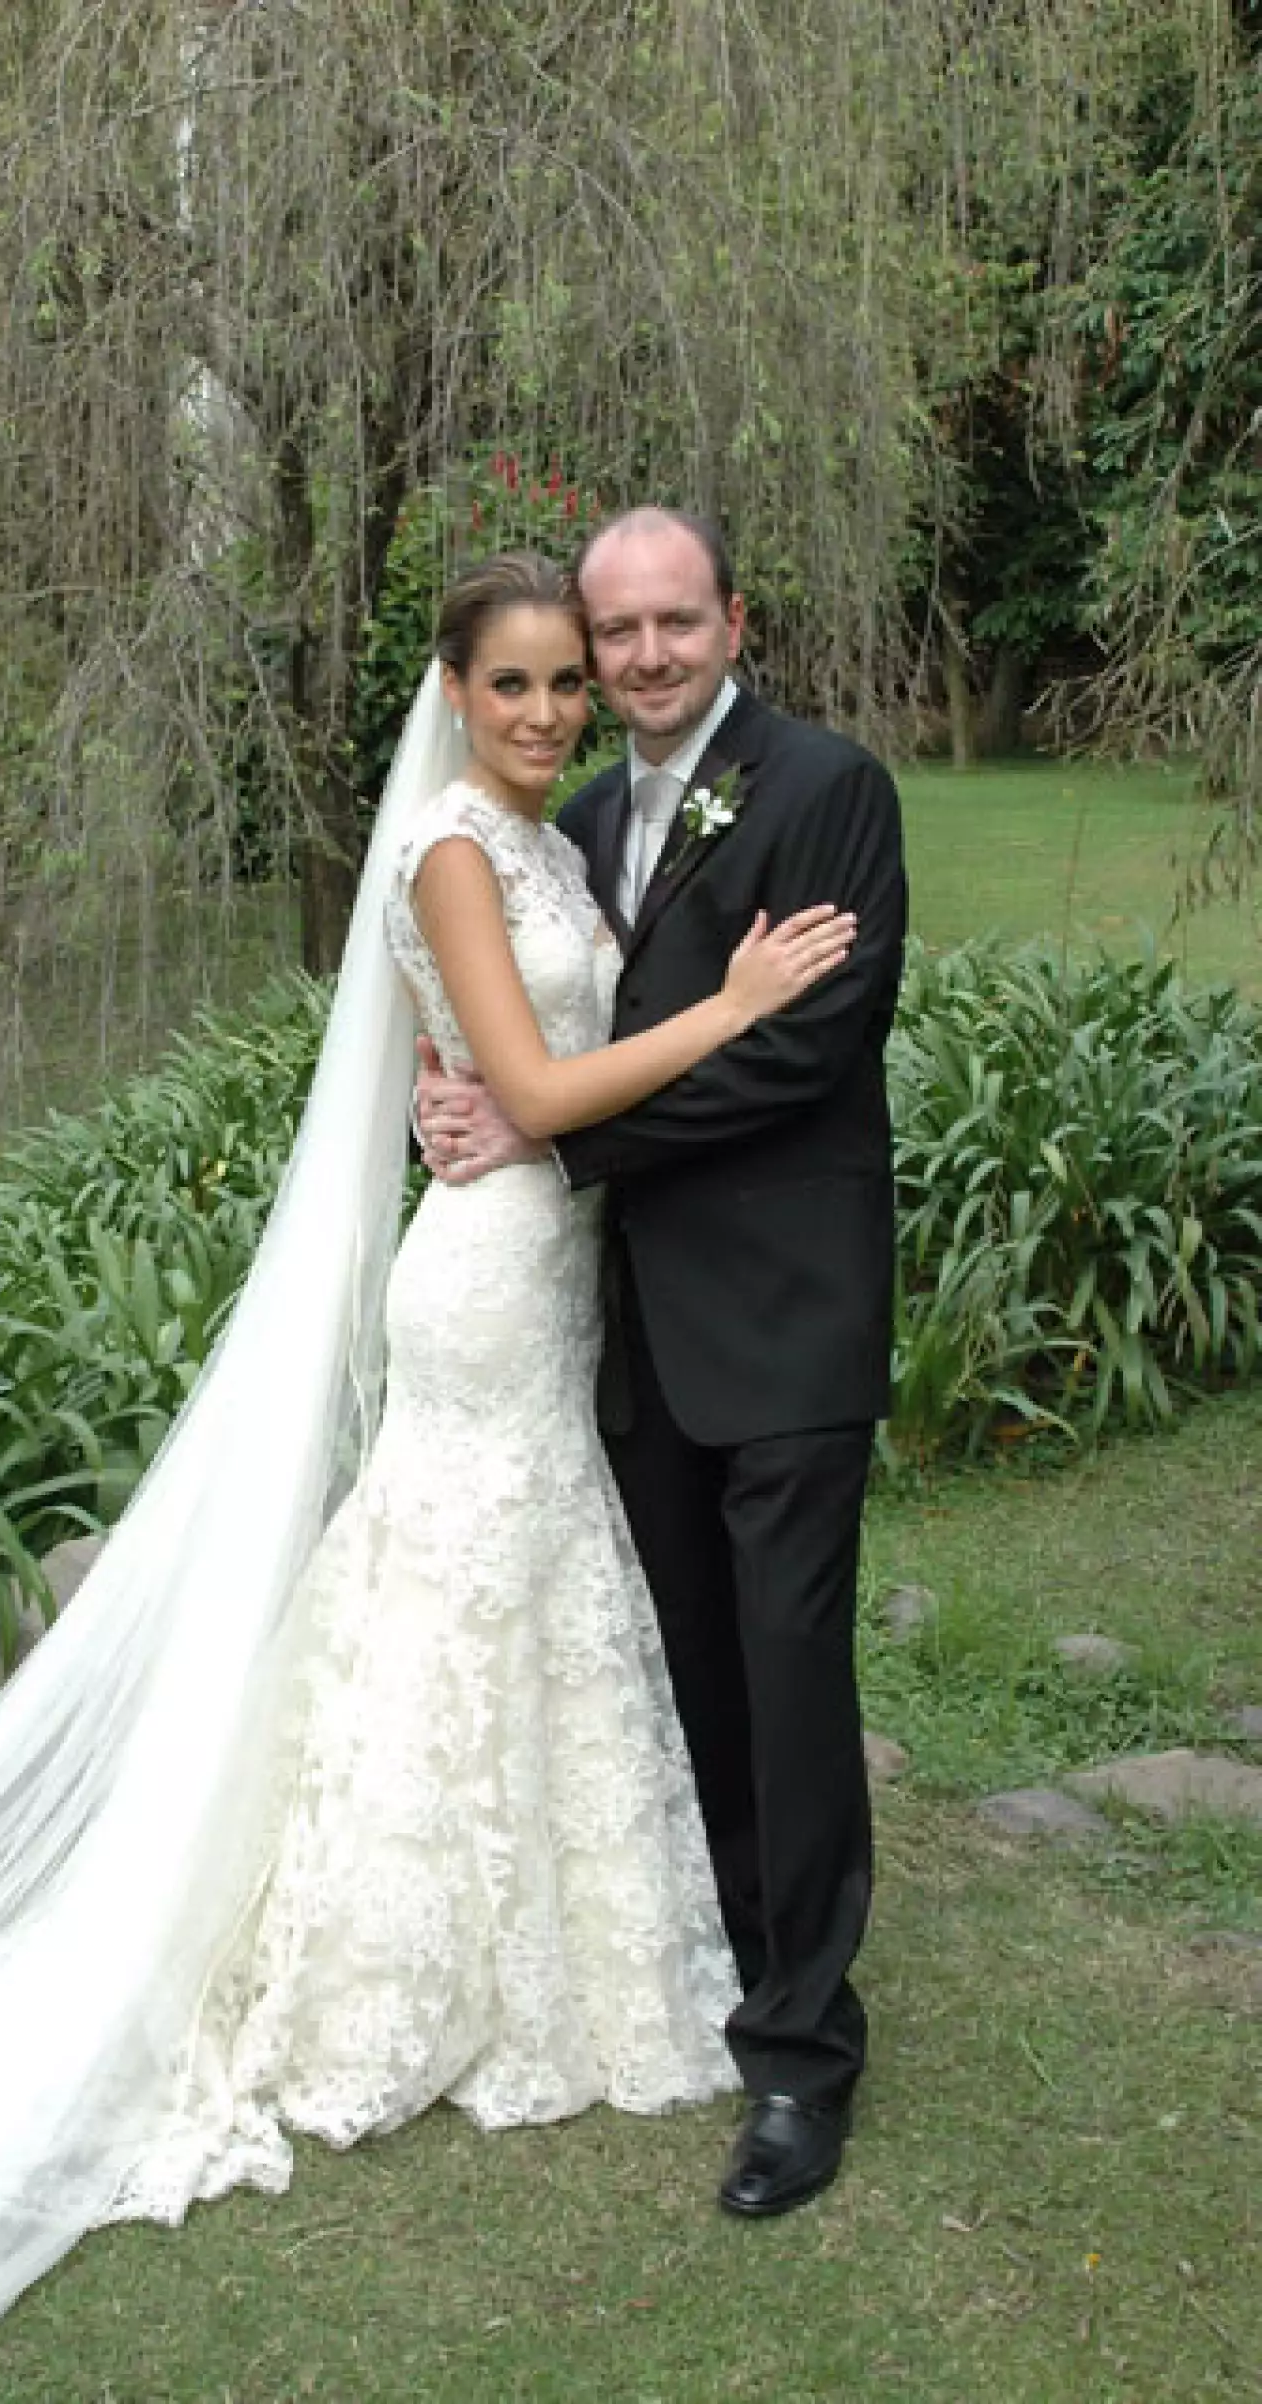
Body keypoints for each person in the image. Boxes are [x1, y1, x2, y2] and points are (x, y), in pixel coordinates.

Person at [0, 551, 855, 2404]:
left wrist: (509, 1086)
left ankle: (543, 1918)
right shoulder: (456, 853)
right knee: (449, 1580)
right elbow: (539, 1093)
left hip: (560, 1270)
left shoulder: (565, 838)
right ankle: (384, 1953)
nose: (553, 709)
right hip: (486, 1279)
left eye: (573, 680)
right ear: (453, 695)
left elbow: (517, 1072)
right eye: (519, 682)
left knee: (511, 1584)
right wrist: (736, 1002)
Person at [417, 509, 907, 2219]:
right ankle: (726, 1962)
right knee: (689, 1676)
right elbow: (530, 1032)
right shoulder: (577, 818)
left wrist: (551, 1144)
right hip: (617, 1335)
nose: (634, 662)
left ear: (731, 619)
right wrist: (469, 1099)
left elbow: (811, 1053)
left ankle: (803, 2062)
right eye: (608, 636)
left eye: (667, 627)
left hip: (784, 1319)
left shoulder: (825, 786)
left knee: (788, 1680)